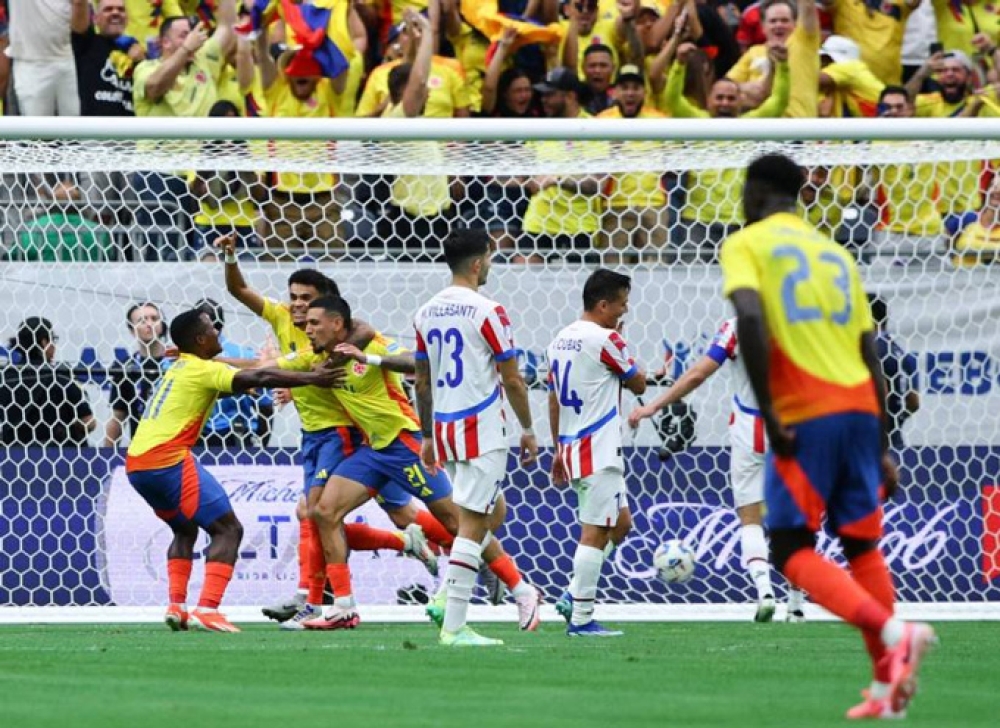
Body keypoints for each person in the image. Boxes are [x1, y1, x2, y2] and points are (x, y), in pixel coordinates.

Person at [719, 153, 937, 719]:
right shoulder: (837, 254)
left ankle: (893, 630)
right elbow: (871, 348)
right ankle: (888, 686)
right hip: (861, 409)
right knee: (861, 543)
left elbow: (750, 318)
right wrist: (884, 438)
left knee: (790, 548)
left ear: (754, 193)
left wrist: (772, 411)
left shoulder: (747, 244)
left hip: (806, 408)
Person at [214, 235, 441, 626]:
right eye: (294, 297)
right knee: (397, 513)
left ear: (325, 306)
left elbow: (369, 333)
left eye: (306, 298)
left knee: (314, 512)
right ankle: (449, 547)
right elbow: (240, 294)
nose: (298, 305)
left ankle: (311, 598)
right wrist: (214, 362)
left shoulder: (336, 334)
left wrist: (335, 357)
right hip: (315, 435)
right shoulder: (283, 318)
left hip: (344, 432)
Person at [289, 295, 540, 635]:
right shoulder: (315, 359)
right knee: (323, 511)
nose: (307, 329)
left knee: (458, 523)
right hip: (372, 450)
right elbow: (265, 368)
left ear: (337, 323)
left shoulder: (369, 344)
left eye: (315, 323)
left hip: (404, 444)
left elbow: (415, 363)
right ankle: (343, 607)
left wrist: (369, 357)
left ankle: (521, 590)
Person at [125, 309, 344, 633]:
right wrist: (315, 378)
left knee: (184, 530)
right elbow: (258, 379)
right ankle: (208, 609)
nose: (217, 332)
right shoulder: (203, 370)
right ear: (201, 340)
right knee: (229, 530)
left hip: (136, 464)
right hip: (166, 459)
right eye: (212, 329)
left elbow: (246, 375)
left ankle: (177, 606)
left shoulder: (180, 366)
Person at [629, 318, 807, 623]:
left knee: (750, 517)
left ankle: (764, 592)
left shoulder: (738, 325)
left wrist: (653, 407)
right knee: (794, 519)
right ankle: (796, 604)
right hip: (791, 428)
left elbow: (698, 374)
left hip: (749, 429)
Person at [413, 228, 541, 646]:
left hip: (447, 429)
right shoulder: (489, 311)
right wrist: (528, 429)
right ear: (477, 262)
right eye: (490, 257)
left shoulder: (425, 312)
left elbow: (422, 381)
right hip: (482, 428)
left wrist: (428, 434)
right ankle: (454, 626)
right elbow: (513, 379)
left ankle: (452, 596)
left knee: (489, 511)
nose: (491, 265)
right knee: (473, 522)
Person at [547, 269, 646, 637]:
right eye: (621, 304)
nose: (625, 311)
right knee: (595, 531)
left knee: (621, 524)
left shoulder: (560, 339)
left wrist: (557, 447)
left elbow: (554, 397)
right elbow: (638, 382)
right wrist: (623, 344)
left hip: (573, 447)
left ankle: (573, 594)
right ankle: (582, 618)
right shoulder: (606, 339)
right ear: (603, 305)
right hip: (599, 449)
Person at [193, 297, 274, 449]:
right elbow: (265, 405)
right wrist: (263, 445)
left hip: (203, 435)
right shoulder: (246, 356)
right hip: (237, 436)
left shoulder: (183, 358)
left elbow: (265, 404)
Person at [0, 317, 95, 446]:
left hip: (12, 457)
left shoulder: (5, 378)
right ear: (44, 342)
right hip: (58, 456)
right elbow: (88, 422)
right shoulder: (61, 377)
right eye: (53, 340)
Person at [104, 302, 168, 447]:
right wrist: (105, 457)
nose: (149, 324)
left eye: (154, 318)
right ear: (132, 330)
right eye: (142, 320)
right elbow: (118, 417)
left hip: (178, 447)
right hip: (142, 450)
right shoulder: (125, 368)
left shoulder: (177, 362)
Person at [867, 294, 920, 455]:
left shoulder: (871, 350)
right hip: (896, 439)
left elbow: (882, 392)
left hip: (875, 440)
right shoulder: (901, 352)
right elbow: (914, 402)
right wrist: (898, 419)